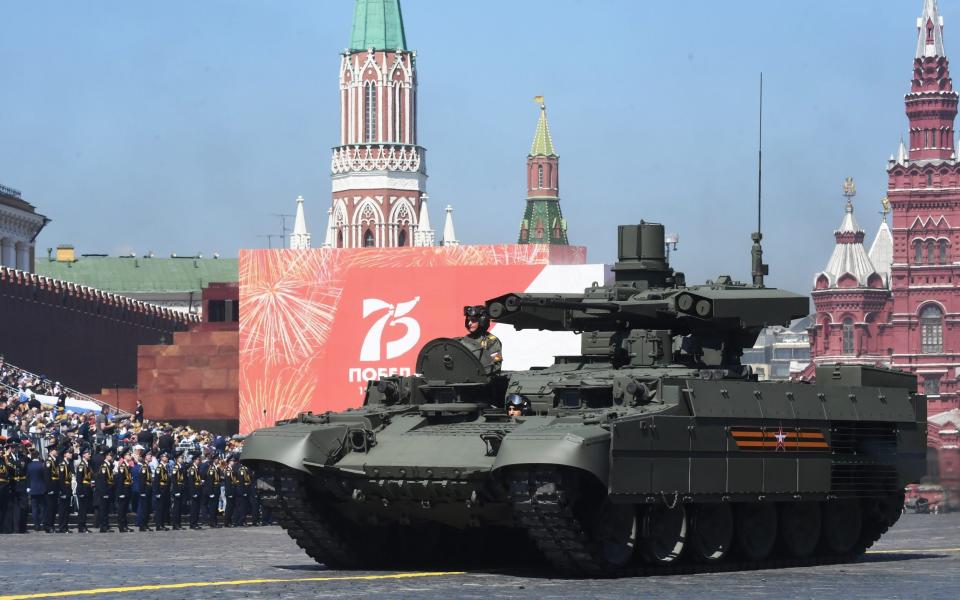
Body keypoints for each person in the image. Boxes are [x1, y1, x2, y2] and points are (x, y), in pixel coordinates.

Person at [457, 305, 503, 374]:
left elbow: (496, 366)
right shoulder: (464, 340)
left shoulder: (491, 341)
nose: (469, 323)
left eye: (473, 320)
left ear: (482, 321)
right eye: (468, 320)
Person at [25, 450, 46, 532]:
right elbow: (44, 477)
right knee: (42, 508)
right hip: (41, 488)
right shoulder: (42, 465)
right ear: (38, 456)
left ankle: (36, 525)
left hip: (32, 488)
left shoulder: (29, 465)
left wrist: (28, 487)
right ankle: (42, 523)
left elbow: (27, 477)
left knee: (34, 508)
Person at [94, 450, 114, 532]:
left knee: (106, 510)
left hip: (108, 491)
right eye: (110, 455)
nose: (111, 457)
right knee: (103, 510)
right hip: (104, 492)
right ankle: (103, 526)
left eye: (112, 455)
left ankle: (106, 525)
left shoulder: (108, 465)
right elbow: (102, 481)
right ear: (106, 456)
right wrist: (104, 493)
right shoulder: (104, 467)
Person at [56, 447, 75, 533]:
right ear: (64, 454)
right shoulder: (62, 464)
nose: (71, 454)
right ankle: (62, 527)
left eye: (71, 453)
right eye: (69, 453)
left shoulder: (68, 464)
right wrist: (62, 491)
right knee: (63, 509)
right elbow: (61, 479)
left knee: (66, 509)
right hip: (64, 489)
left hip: (68, 488)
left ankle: (65, 526)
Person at [75, 447, 94, 533]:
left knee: (85, 509)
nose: (89, 455)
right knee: (82, 509)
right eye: (87, 453)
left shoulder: (87, 464)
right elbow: (79, 479)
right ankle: (81, 526)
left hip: (87, 488)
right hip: (83, 489)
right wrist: (81, 491)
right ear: (83, 455)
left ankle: (84, 525)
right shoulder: (81, 465)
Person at [114, 448, 133, 532]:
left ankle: (125, 525)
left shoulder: (127, 466)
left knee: (125, 509)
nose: (130, 456)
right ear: (125, 456)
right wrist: (121, 492)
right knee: (121, 509)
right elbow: (120, 480)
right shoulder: (122, 466)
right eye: (129, 455)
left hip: (127, 489)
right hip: (123, 490)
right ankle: (121, 526)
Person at [133, 452, 153, 531]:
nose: (150, 456)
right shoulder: (144, 467)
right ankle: (142, 525)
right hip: (145, 489)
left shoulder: (147, 466)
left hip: (148, 489)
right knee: (144, 508)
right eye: (149, 455)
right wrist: (142, 492)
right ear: (145, 457)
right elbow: (142, 480)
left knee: (147, 508)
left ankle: (146, 524)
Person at [43, 445, 60, 533]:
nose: (56, 451)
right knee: (49, 508)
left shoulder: (55, 461)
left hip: (55, 487)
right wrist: (49, 489)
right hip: (51, 488)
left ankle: (51, 525)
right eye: (55, 450)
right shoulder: (49, 461)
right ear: (51, 451)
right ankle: (48, 525)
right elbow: (47, 476)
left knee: (53, 508)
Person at [152, 451, 170, 531]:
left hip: (165, 489)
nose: (166, 458)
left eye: (167, 457)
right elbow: (156, 481)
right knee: (159, 508)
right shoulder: (159, 468)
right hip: (161, 489)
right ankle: (158, 525)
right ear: (161, 458)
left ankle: (162, 524)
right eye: (165, 457)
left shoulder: (165, 467)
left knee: (164, 508)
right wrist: (157, 492)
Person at [202, 454, 221, 528]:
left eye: (218, 459)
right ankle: (212, 522)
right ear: (213, 460)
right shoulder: (211, 468)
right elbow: (209, 481)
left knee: (215, 506)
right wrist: (211, 492)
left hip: (217, 488)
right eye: (216, 459)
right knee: (212, 507)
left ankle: (215, 522)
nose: (218, 460)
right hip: (213, 489)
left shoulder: (217, 468)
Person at [186, 454, 203, 530]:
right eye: (197, 460)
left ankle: (195, 523)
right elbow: (191, 482)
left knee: (197, 508)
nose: (199, 461)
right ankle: (192, 523)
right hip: (195, 490)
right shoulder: (192, 469)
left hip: (198, 489)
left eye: (199, 460)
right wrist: (193, 493)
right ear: (194, 460)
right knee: (194, 508)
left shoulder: (197, 469)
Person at [170, 452, 185, 530]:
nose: (182, 459)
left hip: (181, 488)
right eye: (180, 458)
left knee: (179, 508)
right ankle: (175, 524)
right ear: (176, 459)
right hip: (177, 489)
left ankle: (178, 523)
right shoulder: (176, 467)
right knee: (176, 508)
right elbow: (174, 480)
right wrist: (176, 491)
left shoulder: (181, 467)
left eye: (182, 458)